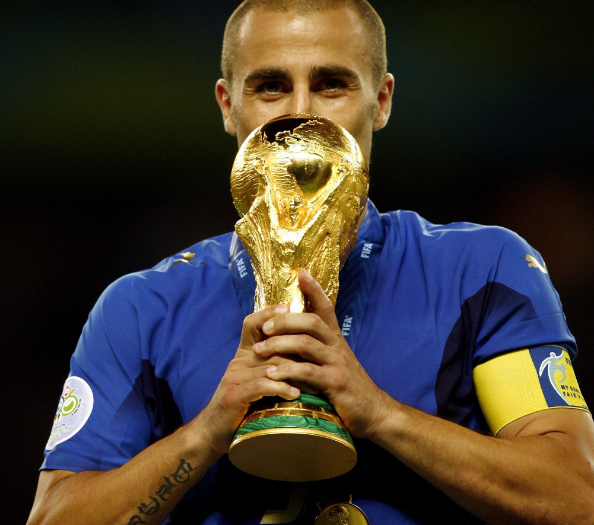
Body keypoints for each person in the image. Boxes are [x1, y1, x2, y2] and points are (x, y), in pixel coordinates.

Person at [27, 1, 594, 524]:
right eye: (271, 87)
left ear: (381, 101)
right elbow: (55, 517)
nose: (300, 115)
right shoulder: (142, 308)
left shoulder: (483, 271)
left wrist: (381, 415)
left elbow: (576, 499)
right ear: (228, 106)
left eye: (331, 85)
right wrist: (207, 431)